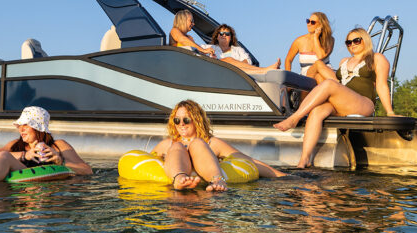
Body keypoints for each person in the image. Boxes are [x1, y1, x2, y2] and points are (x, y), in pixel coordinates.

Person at [273, 28, 397, 167]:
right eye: (348, 42)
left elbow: (381, 85)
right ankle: (305, 159)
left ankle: (294, 118)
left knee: (329, 84)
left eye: (356, 40)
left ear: (365, 40)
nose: (352, 44)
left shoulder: (376, 58)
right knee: (317, 111)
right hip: (342, 103)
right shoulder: (344, 61)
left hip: (363, 103)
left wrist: (390, 112)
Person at [152, 100, 288, 191]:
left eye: (186, 119)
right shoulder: (167, 144)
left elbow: (246, 160)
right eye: (177, 120)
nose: (181, 124)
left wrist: (283, 177)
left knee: (198, 143)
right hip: (178, 191)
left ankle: (218, 180)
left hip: (205, 193)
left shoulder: (211, 143)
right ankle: (179, 179)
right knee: (176, 147)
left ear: (197, 120)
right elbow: (146, 160)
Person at [284, 12, 335, 82]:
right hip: (307, 75)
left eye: (313, 22)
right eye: (308, 21)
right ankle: (339, 85)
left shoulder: (330, 40)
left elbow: (320, 55)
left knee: (319, 77)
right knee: (318, 63)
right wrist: (289, 79)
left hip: (326, 74)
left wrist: (315, 38)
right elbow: (288, 59)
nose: (309, 24)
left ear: (321, 25)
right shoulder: (299, 41)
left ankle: (336, 87)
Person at [209, 24, 280, 73]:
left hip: (238, 76)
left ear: (231, 37)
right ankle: (265, 70)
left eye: (227, 34)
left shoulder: (238, 50)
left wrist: (237, 65)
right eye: (221, 33)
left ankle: (265, 71)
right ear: (217, 36)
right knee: (228, 59)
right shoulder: (208, 48)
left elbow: (248, 61)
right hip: (217, 74)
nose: (224, 35)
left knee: (232, 62)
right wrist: (202, 50)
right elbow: (197, 49)